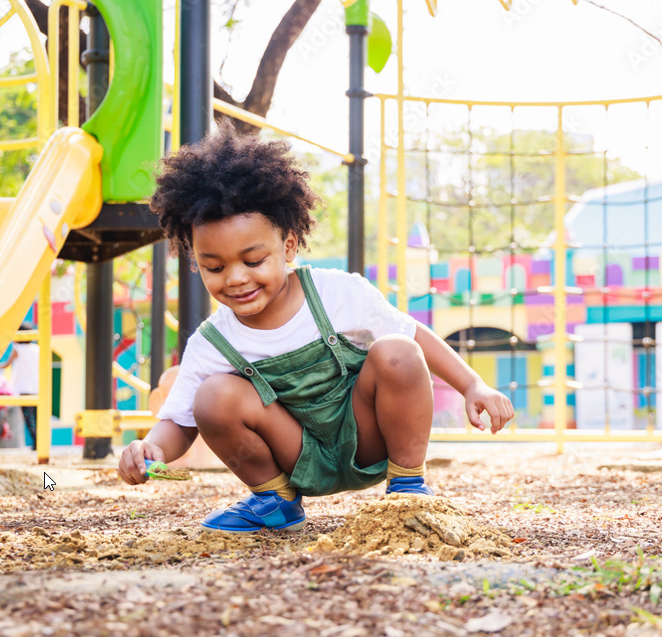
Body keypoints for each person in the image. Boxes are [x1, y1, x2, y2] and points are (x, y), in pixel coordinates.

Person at [118, 123, 515, 533]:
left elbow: (413, 338)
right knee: (212, 395)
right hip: (294, 455)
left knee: (397, 349)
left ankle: (408, 488)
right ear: (196, 261)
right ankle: (274, 500)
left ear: (288, 246)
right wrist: (151, 449)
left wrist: (473, 386)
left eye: (253, 261)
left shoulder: (339, 293)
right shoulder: (212, 342)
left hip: (368, 439)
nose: (235, 278)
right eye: (214, 267)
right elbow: (181, 421)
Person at [0, 322, 40, 450]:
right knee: (37, 417)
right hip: (37, 387)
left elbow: (7, 364)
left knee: (29, 418)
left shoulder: (18, 348)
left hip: (24, 388)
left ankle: (36, 442)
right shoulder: (36, 348)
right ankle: (40, 442)